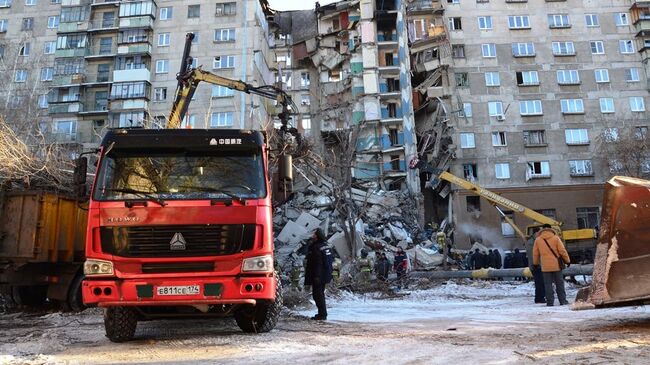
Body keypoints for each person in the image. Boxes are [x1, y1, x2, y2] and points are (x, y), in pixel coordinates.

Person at [533, 224, 571, 306]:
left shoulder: (538, 240)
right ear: (551, 229)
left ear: (542, 229)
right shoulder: (556, 238)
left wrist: (535, 263)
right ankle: (562, 300)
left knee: (547, 285)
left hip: (545, 267)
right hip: (556, 265)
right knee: (559, 284)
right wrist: (567, 261)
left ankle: (550, 302)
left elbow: (535, 254)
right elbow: (562, 251)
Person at [304, 228, 334, 320]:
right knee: (320, 294)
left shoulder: (316, 247)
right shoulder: (326, 246)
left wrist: (317, 276)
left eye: (314, 234)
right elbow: (330, 261)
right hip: (325, 274)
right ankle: (322, 313)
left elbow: (317, 263)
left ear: (317, 236)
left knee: (317, 295)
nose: (312, 236)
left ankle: (322, 314)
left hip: (318, 275)